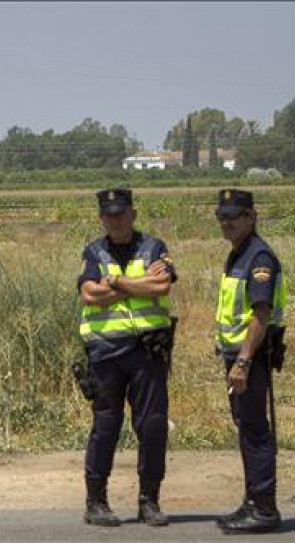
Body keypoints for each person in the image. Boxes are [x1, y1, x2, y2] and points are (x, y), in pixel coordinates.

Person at [77, 188, 176, 528]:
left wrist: (115, 281)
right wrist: (139, 282)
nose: (116, 219)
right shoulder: (93, 251)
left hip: (147, 351)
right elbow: (89, 295)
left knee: (151, 427)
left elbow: (161, 287)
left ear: (133, 214)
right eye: (109, 214)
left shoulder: (155, 247)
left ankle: (149, 501)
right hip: (105, 353)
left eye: (121, 213)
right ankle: (96, 501)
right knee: (105, 427)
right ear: (100, 218)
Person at [212, 189, 286, 534]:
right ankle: (252, 501)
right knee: (247, 429)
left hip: (250, 358)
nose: (226, 222)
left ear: (252, 216)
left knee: (255, 432)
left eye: (234, 216)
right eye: (222, 216)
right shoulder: (238, 254)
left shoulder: (258, 258)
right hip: (237, 357)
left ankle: (265, 508)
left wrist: (242, 362)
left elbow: (260, 315)